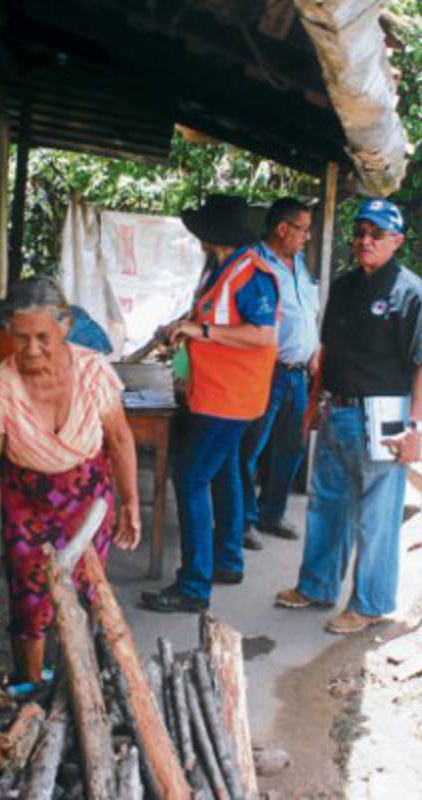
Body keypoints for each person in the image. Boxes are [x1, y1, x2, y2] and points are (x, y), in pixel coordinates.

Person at [0, 277, 141, 682]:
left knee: (87, 593)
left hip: (87, 500)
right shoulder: (1, 386)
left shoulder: (93, 370)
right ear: (9, 332)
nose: (31, 349)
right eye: (21, 337)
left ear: (64, 327)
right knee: (30, 601)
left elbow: (119, 438)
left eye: (43, 337)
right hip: (28, 502)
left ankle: (79, 687)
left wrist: (131, 501)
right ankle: (31, 690)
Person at [275, 199, 422, 634]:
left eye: (377, 234)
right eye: (361, 232)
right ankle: (317, 586)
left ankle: (370, 604)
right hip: (338, 411)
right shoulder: (345, 287)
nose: (366, 241)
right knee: (327, 504)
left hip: (384, 418)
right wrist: (313, 406)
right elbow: (325, 351)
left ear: (396, 241)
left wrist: (415, 429)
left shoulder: (411, 293)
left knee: (377, 515)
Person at [140, 195, 279, 613]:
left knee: (190, 479)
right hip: (220, 394)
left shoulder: (252, 273)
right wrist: (181, 326)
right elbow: (214, 318)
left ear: (212, 236)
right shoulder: (223, 270)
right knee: (223, 473)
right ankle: (227, 561)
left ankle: (194, 587)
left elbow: (262, 335)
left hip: (229, 398)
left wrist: (199, 330)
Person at [238, 198, 320, 551]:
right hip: (265, 371)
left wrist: (315, 351)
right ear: (282, 229)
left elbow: (308, 314)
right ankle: (242, 521)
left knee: (291, 448)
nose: (307, 237)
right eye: (303, 229)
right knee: (250, 448)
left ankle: (273, 513)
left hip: (298, 374)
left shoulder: (299, 263)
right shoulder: (254, 263)